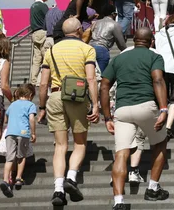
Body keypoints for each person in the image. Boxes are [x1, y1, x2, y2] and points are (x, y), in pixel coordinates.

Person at [100, 27, 170, 209]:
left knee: (121, 154)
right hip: (146, 106)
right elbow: (158, 80)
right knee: (160, 144)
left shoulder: (119, 58)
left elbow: (104, 86)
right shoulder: (155, 57)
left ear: (134, 40)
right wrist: (163, 109)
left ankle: (119, 201)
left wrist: (107, 117)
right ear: (151, 41)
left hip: (122, 110)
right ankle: (153, 188)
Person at [37, 18, 99, 206]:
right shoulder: (87, 49)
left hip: (55, 97)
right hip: (78, 98)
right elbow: (91, 78)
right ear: (80, 30)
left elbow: (43, 83)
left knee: (60, 146)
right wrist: (95, 104)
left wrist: (41, 107)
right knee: (79, 143)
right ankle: (71, 178)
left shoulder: (51, 50)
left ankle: (58, 189)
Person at [0, 84, 36, 197]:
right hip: (23, 133)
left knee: (9, 158)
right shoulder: (30, 104)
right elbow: (31, 119)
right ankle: (19, 178)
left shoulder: (12, 105)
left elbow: (6, 119)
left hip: (10, 133)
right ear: (30, 95)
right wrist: (33, 133)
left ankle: (5, 180)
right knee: (21, 156)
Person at [88, 4, 127, 73]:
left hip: (89, 48)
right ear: (113, 14)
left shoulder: (96, 22)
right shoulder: (115, 24)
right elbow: (122, 45)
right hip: (102, 50)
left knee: (90, 73)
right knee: (100, 75)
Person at [30, 0, 50, 85]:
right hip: (42, 33)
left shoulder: (33, 6)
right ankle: (41, 81)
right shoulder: (43, 6)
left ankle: (33, 80)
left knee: (36, 59)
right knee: (45, 57)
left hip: (34, 33)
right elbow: (48, 18)